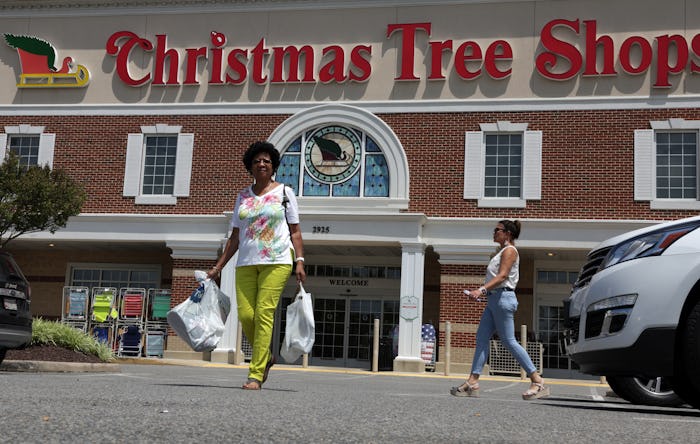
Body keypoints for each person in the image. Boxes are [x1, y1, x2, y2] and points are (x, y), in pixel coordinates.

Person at [208, 141, 306, 391]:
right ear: (250, 166)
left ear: (273, 166)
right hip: (246, 262)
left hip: (277, 260)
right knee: (245, 315)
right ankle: (267, 357)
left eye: (267, 161)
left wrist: (300, 261)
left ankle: (255, 373)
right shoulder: (242, 196)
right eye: (257, 161)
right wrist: (218, 267)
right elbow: (235, 237)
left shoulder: (285, 192)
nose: (262, 164)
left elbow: (295, 232)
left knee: (264, 313)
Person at [450, 220, 549, 400]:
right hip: (494, 299)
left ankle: (537, 380)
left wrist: (481, 289)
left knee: (509, 340)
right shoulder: (502, 251)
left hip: (503, 299)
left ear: (508, 233)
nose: (494, 232)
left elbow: (503, 276)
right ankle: (472, 381)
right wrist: (485, 293)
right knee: (481, 338)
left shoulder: (510, 251)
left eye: (497, 230)